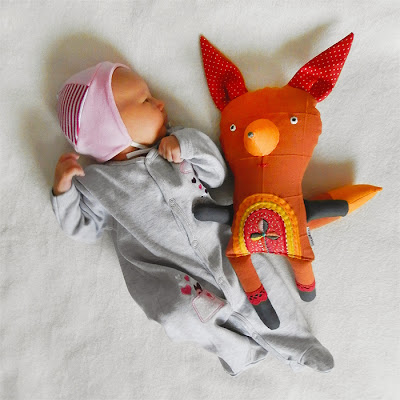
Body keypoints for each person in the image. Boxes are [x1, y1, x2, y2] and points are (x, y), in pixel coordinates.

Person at [50, 61, 334, 375]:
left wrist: (187, 146)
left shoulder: (175, 145)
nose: (160, 103)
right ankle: (238, 352)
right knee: (180, 315)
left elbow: (217, 176)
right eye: (145, 100)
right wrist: (63, 191)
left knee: (262, 283)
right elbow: (85, 229)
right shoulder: (98, 183)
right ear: (110, 127)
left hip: (220, 246)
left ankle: (301, 344)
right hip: (167, 277)